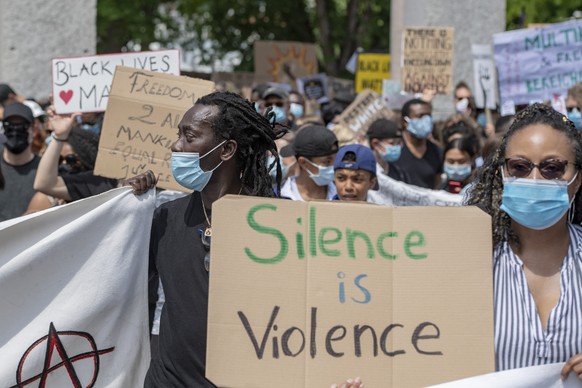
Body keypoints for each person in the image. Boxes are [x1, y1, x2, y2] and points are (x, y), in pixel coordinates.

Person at [126, 91, 286, 387]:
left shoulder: (277, 224)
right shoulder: (165, 218)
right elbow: (123, 290)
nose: (176, 145)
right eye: (179, 135)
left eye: (190, 136)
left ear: (226, 150)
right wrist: (123, 210)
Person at [467, 103, 582, 379]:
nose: (534, 179)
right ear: (501, 174)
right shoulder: (466, 259)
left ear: (577, 180)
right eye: (519, 167)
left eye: (552, 168)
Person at [33, 108, 118, 203]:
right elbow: (43, 184)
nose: (64, 165)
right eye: (59, 160)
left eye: (71, 159)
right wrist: (60, 137)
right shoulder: (98, 184)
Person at [0, 102, 40, 221]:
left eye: (22, 126)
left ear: (34, 131)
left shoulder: (45, 171)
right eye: (9, 126)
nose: (15, 131)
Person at [393, 98, 443, 189]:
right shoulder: (394, 149)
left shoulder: (437, 151)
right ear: (405, 122)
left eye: (428, 115)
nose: (426, 120)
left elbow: (437, 185)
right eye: (420, 116)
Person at [280, 125, 339, 201]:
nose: (333, 166)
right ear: (304, 163)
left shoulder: (343, 196)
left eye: (336, 159)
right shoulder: (278, 197)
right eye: (327, 162)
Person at [366, 118, 411, 184]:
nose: (396, 147)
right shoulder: (366, 173)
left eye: (398, 143)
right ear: (375, 144)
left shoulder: (400, 173)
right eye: (392, 143)